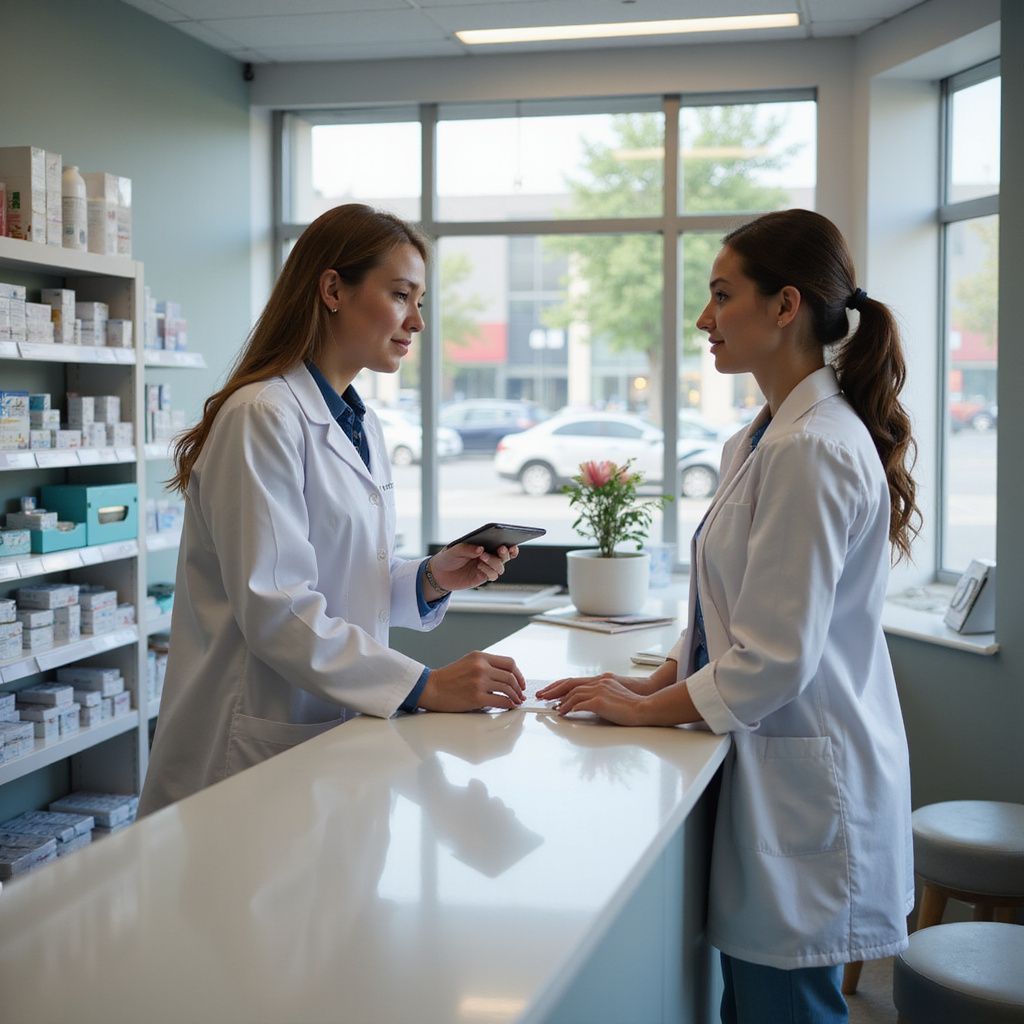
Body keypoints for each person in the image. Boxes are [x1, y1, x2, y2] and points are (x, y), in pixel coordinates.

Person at [539, 209, 919, 1023]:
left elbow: (774, 656)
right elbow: (731, 615)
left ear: (786, 307)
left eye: (722, 295)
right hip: (775, 773)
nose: (705, 319)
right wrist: (659, 677)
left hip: (807, 785)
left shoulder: (811, 447)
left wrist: (645, 708)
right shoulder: (761, 440)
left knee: (784, 1006)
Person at [140, 204, 525, 816]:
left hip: (331, 738)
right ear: (332, 290)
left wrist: (429, 577)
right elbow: (277, 605)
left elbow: (340, 578)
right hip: (249, 744)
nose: (417, 321)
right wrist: (424, 685)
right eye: (401, 295)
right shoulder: (263, 414)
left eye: (420, 300)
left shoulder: (357, 422)